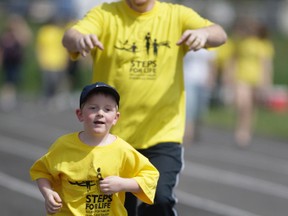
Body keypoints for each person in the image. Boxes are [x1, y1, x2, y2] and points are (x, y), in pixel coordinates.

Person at [62, 0, 227, 215]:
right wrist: (80, 39)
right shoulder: (105, 14)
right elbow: (69, 37)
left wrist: (204, 35)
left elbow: (220, 34)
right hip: (114, 139)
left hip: (162, 134)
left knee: (159, 199)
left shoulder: (175, 15)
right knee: (118, 209)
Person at [30, 82, 159, 216]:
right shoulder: (64, 145)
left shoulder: (122, 149)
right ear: (80, 114)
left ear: (116, 118)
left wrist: (123, 184)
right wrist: (48, 193)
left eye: (107, 109)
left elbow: (151, 176)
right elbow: (42, 171)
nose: (100, 113)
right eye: (93, 108)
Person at [228, 18, 274, 147]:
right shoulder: (241, 42)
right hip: (242, 77)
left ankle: (245, 132)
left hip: (256, 78)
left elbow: (266, 64)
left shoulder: (263, 44)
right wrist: (230, 75)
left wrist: (266, 81)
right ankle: (240, 129)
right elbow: (233, 59)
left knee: (251, 108)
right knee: (242, 103)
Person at [183, 48, 216, 144]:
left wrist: (211, 78)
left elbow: (212, 63)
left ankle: (196, 130)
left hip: (203, 81)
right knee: (189, 107)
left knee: (200, 110)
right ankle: (188, 134)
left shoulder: (209, 41)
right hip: (188, 78)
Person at [0, 14, 32, 111]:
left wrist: (22, 26)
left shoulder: (18, 36)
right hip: (8, 62)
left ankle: (10, 99)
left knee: (15, 81)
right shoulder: (6, 36)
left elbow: (27, 39)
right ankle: (7, 100)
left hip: (16, 62)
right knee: (9, 81)